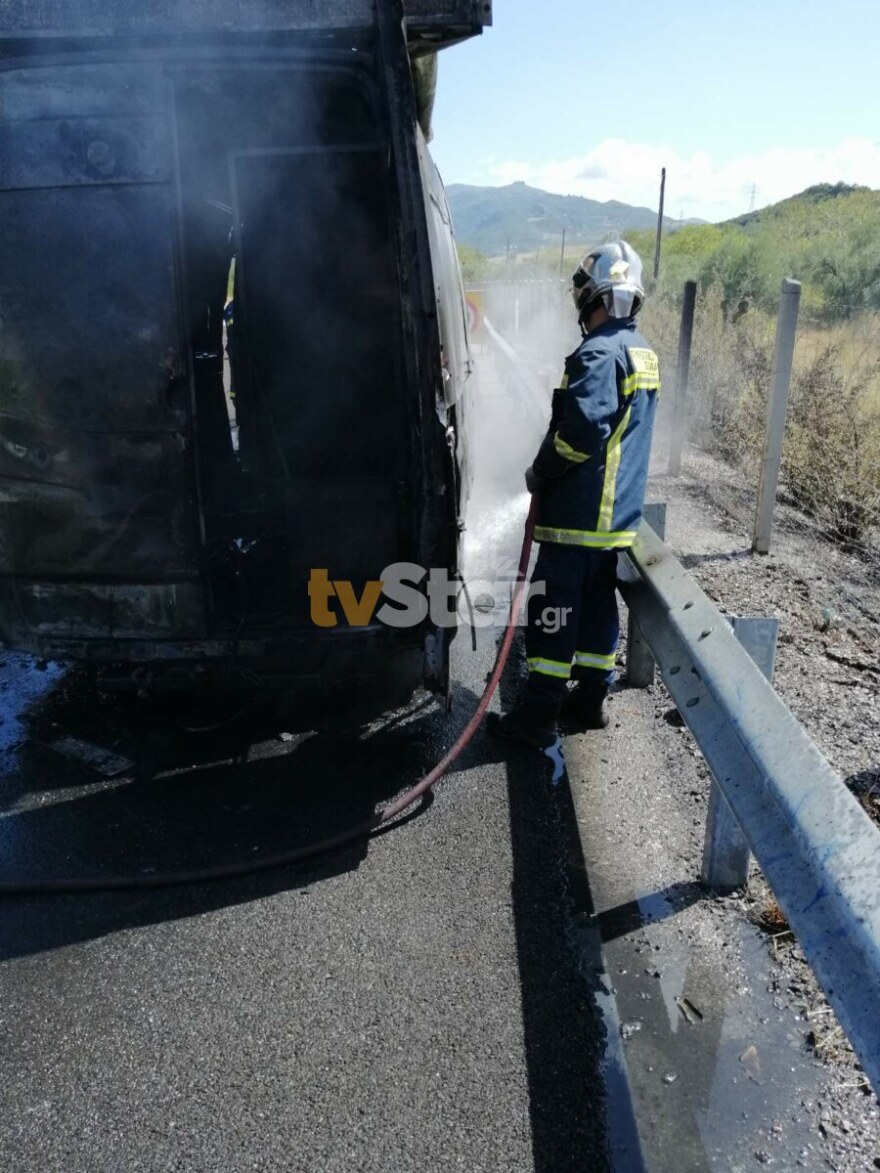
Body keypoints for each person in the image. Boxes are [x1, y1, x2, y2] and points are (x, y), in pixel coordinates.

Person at [488, 240, 660, 749]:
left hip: (578, 514)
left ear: (597, 294)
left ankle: (539, 713)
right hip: (613, 521)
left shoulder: (599, 351)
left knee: (554, 612)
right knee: (597, 610)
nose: (579, 303)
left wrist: (542, 469)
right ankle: (588, 702)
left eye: (584, 293)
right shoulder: (641, 351)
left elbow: (582, 429)